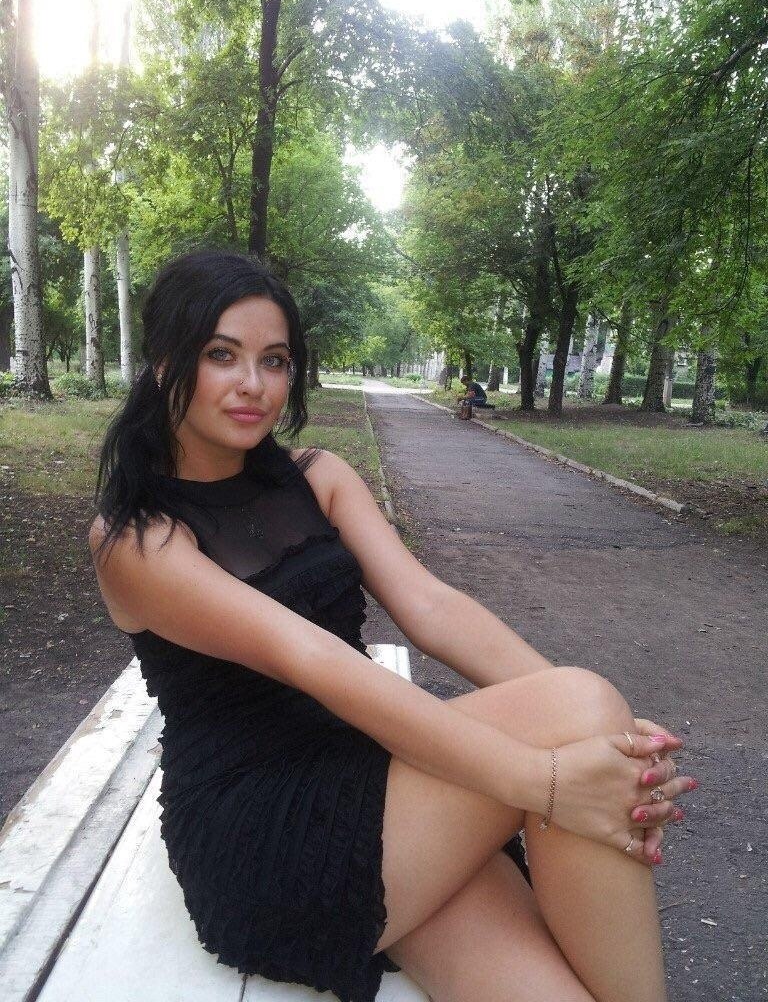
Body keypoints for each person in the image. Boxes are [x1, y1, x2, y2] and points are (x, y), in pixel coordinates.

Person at [89, 248, 696, 1002]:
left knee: (585, 719)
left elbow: (431, 607)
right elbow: (312, 660)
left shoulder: (318, 477)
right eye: (221, 355)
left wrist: (609, 747)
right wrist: (550, 779)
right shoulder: (138, 540)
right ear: (162, 362)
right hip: (269, 834)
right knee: (580, 707)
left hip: (381, 783)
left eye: (274, 360)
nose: (253, 384)